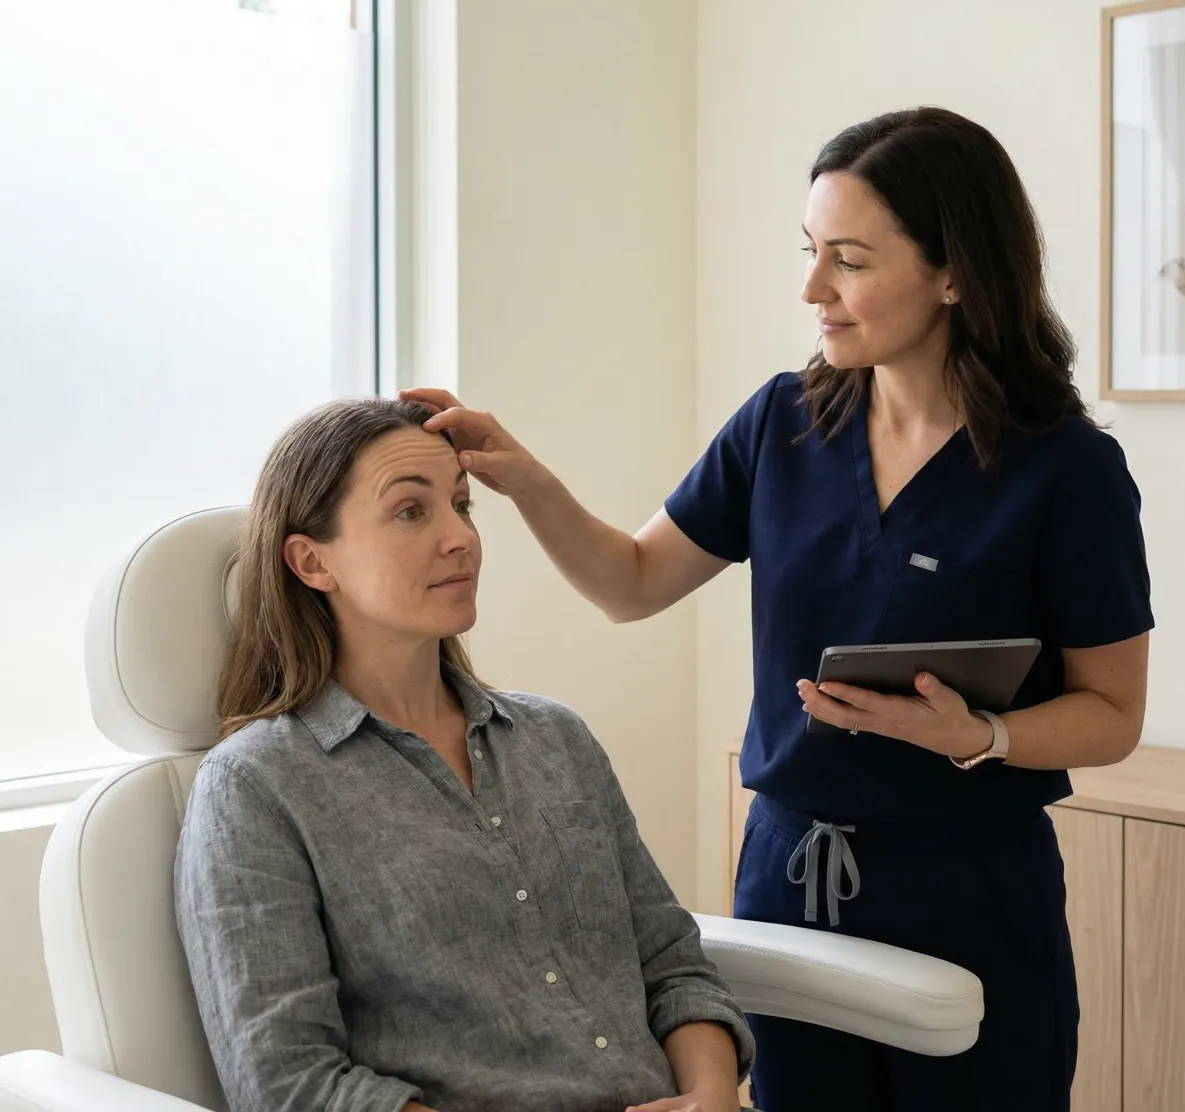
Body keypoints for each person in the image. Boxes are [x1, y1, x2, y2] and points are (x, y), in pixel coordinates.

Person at [403, 107, 1154, 1112]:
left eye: (848, 259)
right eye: (810, 251)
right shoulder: (784, 423)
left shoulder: (1068, 472)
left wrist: (980, 732)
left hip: (970, 893)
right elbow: (631, 583)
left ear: (955, 272)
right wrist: (523, 478)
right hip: (787, 882)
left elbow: (1112, 714)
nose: (813, 289)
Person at [174, 398, 754, 1112]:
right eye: (412, 512)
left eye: (462, 506)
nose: (462, 540)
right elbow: (291, 1083)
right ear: (312, 561)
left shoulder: (556, 739)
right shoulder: (256, 787)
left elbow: (671, 964)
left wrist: (713, 1094)